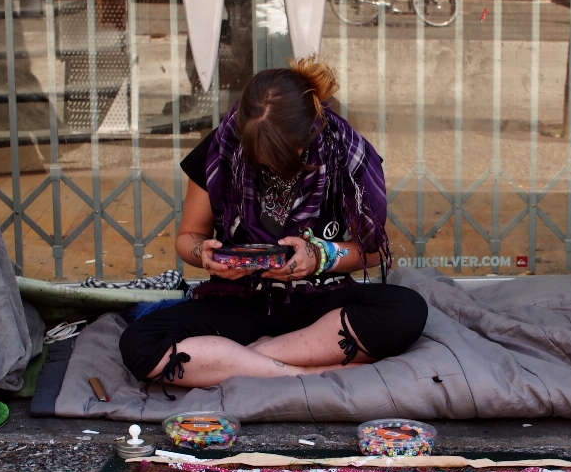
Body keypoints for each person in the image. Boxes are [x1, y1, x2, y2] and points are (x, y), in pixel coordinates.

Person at [119, 57, 427, 396]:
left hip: (319, 303)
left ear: (308, 134)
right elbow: (189, 238)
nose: (267, 166)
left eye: (280, 156)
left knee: (406, 311)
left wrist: (318, 256)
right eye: (257, 157)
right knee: (139, 344)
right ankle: (305, 371)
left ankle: (238, 362)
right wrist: (203, 255)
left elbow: (372, 253)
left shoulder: (346, 154)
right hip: (237, 301)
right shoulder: (220, 148)